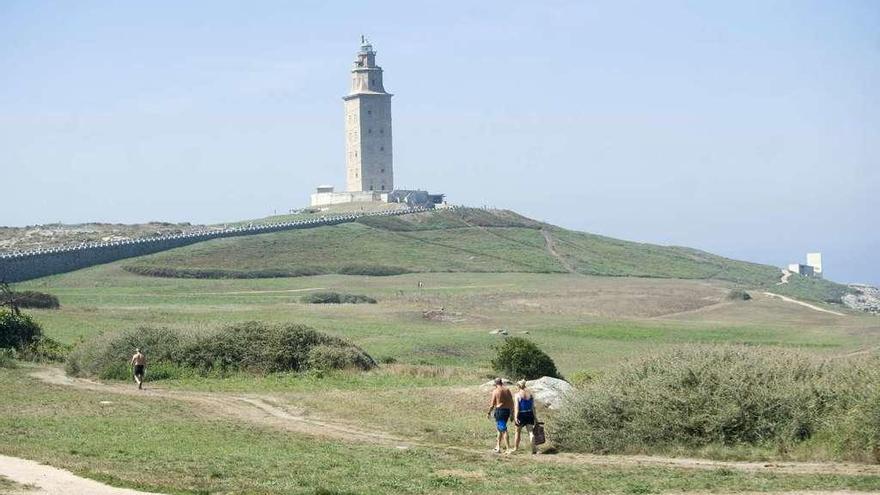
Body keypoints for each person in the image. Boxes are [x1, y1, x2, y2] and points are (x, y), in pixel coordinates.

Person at [485, 377, 514, 453]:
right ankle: (497, 447)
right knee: (499, 429)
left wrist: (488, 412)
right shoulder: (507, 390)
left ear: (495, 383)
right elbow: (511, 402)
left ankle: (508, 448)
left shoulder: (496, 391)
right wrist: (512, 413)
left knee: (504, 430)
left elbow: (492, 404)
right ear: (501, 382)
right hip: (506, 411)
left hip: (499, 411)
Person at [512, 379, 538, 454]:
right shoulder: (530, 395)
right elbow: (533, 407)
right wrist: (535, 417)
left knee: (517, 432)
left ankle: (515, 448)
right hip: (529, 414)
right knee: (530, 432)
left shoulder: (517, 395)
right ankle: (534, 449)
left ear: (518, 386)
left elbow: (517, 407)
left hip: (521, 414)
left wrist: (516, 417)